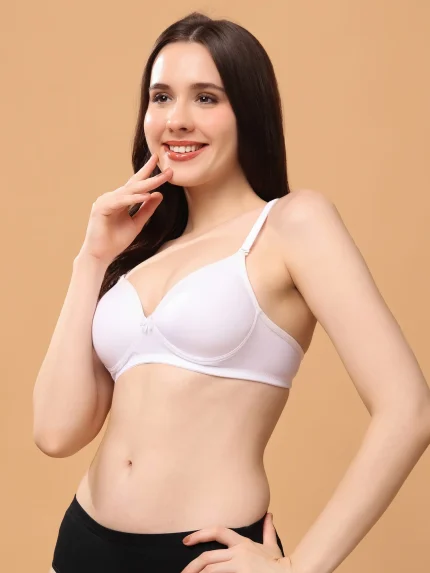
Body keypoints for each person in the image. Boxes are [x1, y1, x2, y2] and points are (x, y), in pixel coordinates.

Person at [33, 11, 430, 573]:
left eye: (206, 98)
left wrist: (300, 568)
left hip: (198, 558)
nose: (177, 120)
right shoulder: (141, 255)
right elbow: (55, 432)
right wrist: (91, 259)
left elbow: (408, 408)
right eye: (162, 97)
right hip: (83, 546)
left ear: (248, 110)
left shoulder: (291, 225)